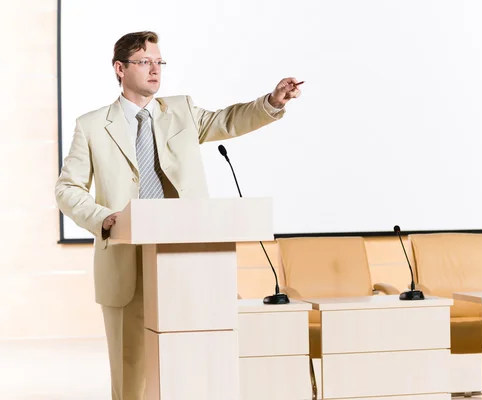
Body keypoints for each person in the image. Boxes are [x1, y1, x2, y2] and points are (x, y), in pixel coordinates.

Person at [54, 30, 301, 400]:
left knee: (193, 363)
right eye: (144, 62)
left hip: (186, 256)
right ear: (120, 69)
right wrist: (104, 218)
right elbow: (67, 188)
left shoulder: (181, 111)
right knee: (131, 369)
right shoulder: (91, 126)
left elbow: (228, 121)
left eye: (159, 62)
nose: (155, 70)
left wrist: (272, 101)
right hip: (126, 259)